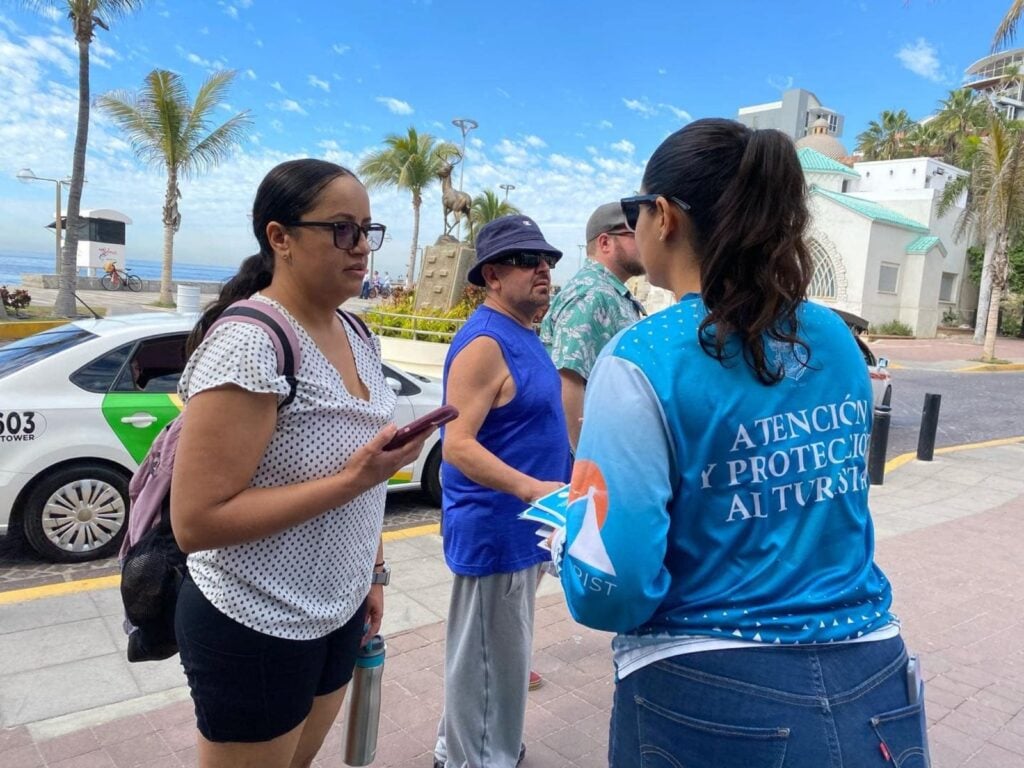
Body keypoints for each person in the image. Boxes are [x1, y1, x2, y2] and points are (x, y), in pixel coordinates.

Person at [556, 119, 930, 767]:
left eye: (633, 210)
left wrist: (570, 538)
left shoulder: (641, 358)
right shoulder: (836, 341)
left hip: (708, 693)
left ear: (664, 215)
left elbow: (613, 589)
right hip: (874, 677)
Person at [170, 158, 432, 768]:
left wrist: (372, 573)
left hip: (336, 612)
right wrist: (354, 479)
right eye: (342, 229)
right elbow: (198, 521)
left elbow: (364, 486)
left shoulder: (355, 330)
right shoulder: (251, 341)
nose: (362, 247)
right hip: (252, 619)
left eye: (368, 229)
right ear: (279, 237)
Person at [433, 215, 573, 768]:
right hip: (498, 529)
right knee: (494, 664)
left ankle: (461, 750)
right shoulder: (486, 343)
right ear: (492, 274)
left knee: (486, 659)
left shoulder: (523, 332)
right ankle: (482, 760)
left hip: (526, 526)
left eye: (547, 260)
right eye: (527, 260)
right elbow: (457, 445)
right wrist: (531, 488)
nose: (543, 269)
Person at [541, 201, 646, 451]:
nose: (645, 241)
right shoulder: (591, 293)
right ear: (605, 242)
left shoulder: (610, 293)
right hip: (591, 459)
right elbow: (567, 378)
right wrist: (583, 461)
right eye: (634, 234)